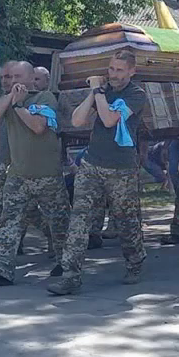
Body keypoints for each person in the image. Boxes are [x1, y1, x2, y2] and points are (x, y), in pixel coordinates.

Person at [49, 51, 146, 294]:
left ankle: (134, 262)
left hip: (121, 168)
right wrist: (93, 93)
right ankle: (70, 275)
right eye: (111, 69)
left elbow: (110, 119)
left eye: (120, 70)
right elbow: (78, 120)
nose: (113, 74)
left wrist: (100, 94)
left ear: (131, 71)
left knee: (126, 221)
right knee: (79, 219)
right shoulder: (102, 91)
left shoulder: (136, 94)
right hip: (92, 164)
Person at [0, 60, 66, 286]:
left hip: (47, 175)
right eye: (10, 77)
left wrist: (18, 106)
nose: (13, 81)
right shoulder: (8, 100)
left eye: (17, 77)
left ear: (30, 78)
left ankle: (66, 263)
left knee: (59, 222)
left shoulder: (45, 98)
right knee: (9, 221)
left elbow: (38, 127)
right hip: (18, 174)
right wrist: (9, 100)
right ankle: (4, 270)